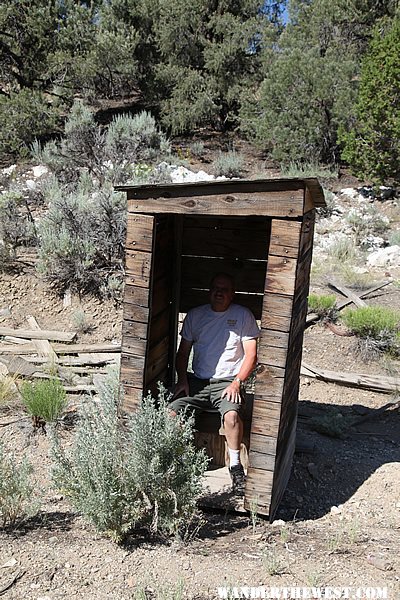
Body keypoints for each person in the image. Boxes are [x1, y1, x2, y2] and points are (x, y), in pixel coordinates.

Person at [169, 273, 260, 494]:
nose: (219, 293)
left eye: (225, 289)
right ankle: (178, 463)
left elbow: (251, 355)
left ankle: (236, 466)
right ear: (209, 291)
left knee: (231, 416)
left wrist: (237, 383)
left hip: (228, 382)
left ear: (232, 294)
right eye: (215, 289)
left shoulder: (242, 316)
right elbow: (183, 353)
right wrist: (182, 378)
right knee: (171, 414)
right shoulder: (196, 315)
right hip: (198, 380)